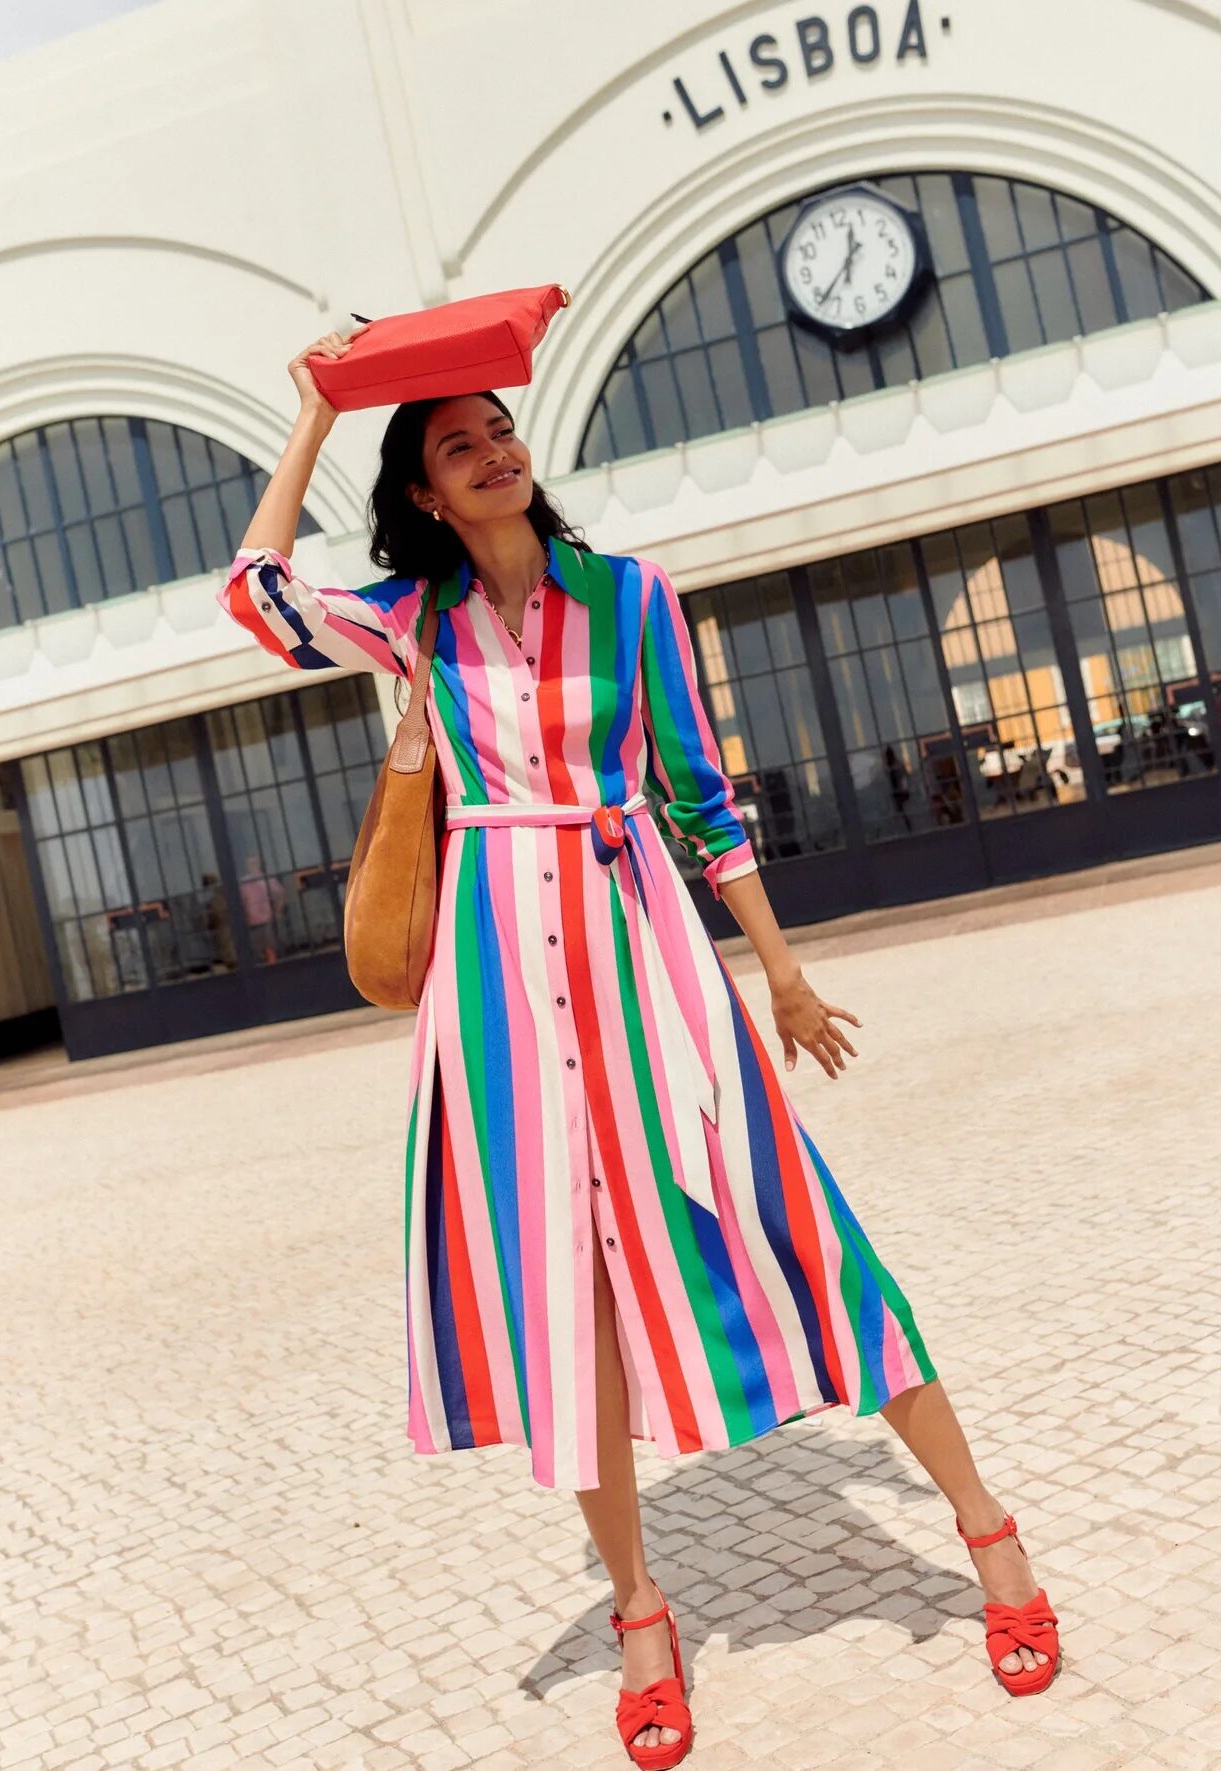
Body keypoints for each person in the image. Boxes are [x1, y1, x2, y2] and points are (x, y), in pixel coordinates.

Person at [217, 326, 1061, 1764]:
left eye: (497, 427)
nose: (494, 448)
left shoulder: (632, 601)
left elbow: (702, 800)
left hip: (645, 959)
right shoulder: (412, 621)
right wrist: (311, 408)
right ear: (425, 494)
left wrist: (783, 978)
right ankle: (642, 1620)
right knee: (563, 1301)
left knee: (796, 1229)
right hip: (488, 998)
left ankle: (995, 1546)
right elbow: (252, 592)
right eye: (457, 443)